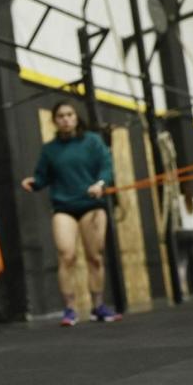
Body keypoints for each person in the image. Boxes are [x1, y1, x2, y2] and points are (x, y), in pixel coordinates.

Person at [21, 100, 122, 327]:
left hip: (91, 204)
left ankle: (98, 306)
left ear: (76, 118)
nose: (66, 119)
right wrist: (34, 183)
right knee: (67, 256)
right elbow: (42, 176)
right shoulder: (50, 150)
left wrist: (100, 183)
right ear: (55, 121)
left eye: (70, 115)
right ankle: (70, 309)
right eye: (61, 116)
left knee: (95, 257)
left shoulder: (93, 142)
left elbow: (106, 167)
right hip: (64, 207)